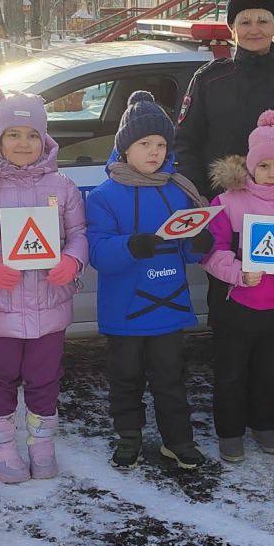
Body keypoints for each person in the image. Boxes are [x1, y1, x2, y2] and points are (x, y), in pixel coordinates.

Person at [0, 91, 87, 484]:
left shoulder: (63, 186)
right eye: (13, 134)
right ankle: (2, 447)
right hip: (0, 309)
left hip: (50, 308)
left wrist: (72, 260)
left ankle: (42, 444)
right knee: (0, 377)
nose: (23, 143)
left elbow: (78, 233)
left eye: (32, 135)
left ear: (45, 139)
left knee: (46, 378)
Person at [85, 91, 214, 470]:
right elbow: (98, 252)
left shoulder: (179, 190)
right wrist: (130, 246)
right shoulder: (104, 196)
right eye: (144, 144)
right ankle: (129, 436)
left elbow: (187, 250)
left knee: (170, 377)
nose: (154, 152)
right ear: (124, 148)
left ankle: (178, 440)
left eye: (160, 144)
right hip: (125, 310)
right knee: (125, 377)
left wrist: (199, 244)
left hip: (168, 307)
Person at [201, 110, 274, 462]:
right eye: (264, 165)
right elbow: (212, 252)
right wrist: (239, 273)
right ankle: (230, 431)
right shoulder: (227, 202)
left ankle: (265, 424)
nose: (271, 173)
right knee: (231, 373)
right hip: (236, 305)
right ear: (251, 164)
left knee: (270, 373)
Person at [174, 0, 274, 200]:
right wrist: (201, 199)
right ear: (232, 28)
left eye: (263, 21)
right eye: (245, 22)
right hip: (219, 208)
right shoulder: (208, 81)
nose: (254, 30)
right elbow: (185, 146)